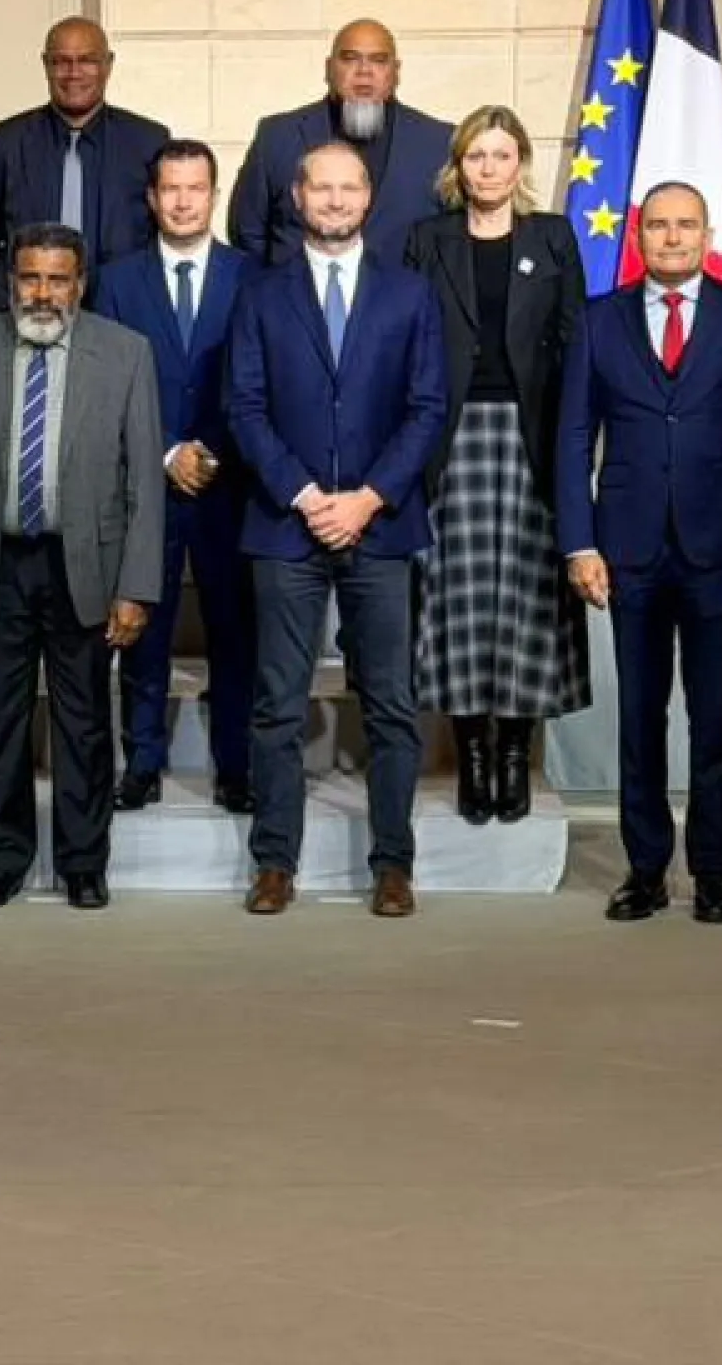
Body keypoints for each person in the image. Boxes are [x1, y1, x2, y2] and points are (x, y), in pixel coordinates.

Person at [556, 181, 722, 926]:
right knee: (639, 716)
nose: (671, 237)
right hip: (627, 549)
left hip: (719, 548)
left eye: (685, 225)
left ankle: (714, 871)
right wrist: (580, 543)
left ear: (707, 235)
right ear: (638, 237)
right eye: (658, 225)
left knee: (712, 715)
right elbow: (573, 438)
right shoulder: (599, 320)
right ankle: (645, 869)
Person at [226, 141, 448, 918]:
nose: (334, 200)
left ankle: (392, 864)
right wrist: (305, 494)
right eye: (320, 187)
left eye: (348, 187)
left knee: (389, 703)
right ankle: (274, 862)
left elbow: (427, 408)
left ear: (368, 198)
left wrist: (368, 498)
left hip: (380, 527)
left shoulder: (410, 295)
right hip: (285, 526)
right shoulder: (261, 294)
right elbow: (244, 407)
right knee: (277, 705)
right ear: (297, 197)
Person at [0, 224, 165, 911]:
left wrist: (136, 587)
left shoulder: (126, 354)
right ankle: (1, 860)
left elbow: (144, 484)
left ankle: (83, 864)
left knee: (83, 724)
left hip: (84, 565)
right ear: (11, 282)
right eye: (30, 277)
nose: (42, 293)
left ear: (79, 284)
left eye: (58, 279)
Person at [403, 106, 589, 825]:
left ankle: (514, 749)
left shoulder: (552, 237)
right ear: (459, 165)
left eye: (501, 155)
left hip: (531, 442)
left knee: (526, 599)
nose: (488, 169)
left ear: (521, 165)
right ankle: (472, 752)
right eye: (476, 156)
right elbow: (409, 343)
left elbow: (575, 345)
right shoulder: (429, 239)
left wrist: (576, 450)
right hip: (449, 442)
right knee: (456, 599)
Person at [92, 139, 258, 813]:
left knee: (236, 631)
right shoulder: (116, 281)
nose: (184, 202)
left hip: (230, 484)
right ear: (152, 198)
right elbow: (105, 382)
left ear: (214, 195)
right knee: (144, 629)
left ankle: (236, 766)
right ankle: (142, 763)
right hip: (145, 484)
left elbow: (262, 379)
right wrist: (166, 451)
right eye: (171, 189)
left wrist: (212, 451)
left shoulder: (254, 276)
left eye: (196, 188)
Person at [0, 16, 170, 299]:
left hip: (123, 310)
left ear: (108, 64)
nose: (74, 73)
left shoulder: (148, 142)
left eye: (87, 61)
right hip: (30, 310)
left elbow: (167, 235)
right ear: (45, 65)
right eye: (61, 62)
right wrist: (8, 297)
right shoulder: (4, 142)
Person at [228, 19, 456, 270]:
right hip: (296, 292)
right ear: (328, 69)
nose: (364, 71)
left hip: (405, 293)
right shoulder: (278, 136)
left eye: (379, 60)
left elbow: (453, 237)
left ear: (397, 72)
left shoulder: (439, 142)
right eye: (350, 59)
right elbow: (247, 234)